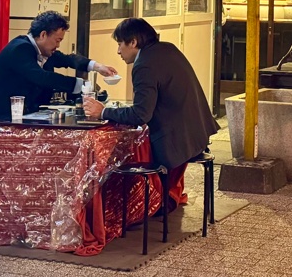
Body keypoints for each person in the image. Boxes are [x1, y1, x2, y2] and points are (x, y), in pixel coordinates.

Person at [82, 17, 218, 208]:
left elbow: (140, 115)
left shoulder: (144, 65)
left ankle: (138, 205)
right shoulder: (167, 49)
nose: (118, 51)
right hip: (197, 133)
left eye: (120, 44)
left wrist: (103, 112)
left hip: (177, 141)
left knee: (125, 155)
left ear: (133, 42)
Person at [0, 10, 117, 123]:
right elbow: (41, 77)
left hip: (16, 117)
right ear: (43, 34)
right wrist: (80, 85)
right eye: (57, 40)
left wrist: (98, 67)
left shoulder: (44, 50)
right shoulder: (20, 49)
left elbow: (67, 59)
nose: (58, 45)